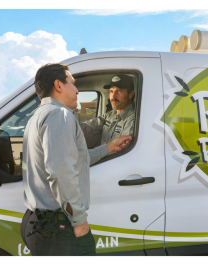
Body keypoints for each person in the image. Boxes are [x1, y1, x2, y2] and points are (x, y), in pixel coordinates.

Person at [21, 63, 130, 256]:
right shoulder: (59, 115)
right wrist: (79, 221)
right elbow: (61, 172)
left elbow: (75, 159)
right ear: (59, 86)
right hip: (59, 227)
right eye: (72, 83)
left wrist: (109, 147)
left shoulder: (38, 115)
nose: (77, 90)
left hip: (39, 221)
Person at [81, 74, 137, 162]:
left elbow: (125, 155)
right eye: (111, 91)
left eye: (118, 91)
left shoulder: (133, 119)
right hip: (101, 162)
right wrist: (67, 124)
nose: (113, 96)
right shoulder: (109, 115)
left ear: (130, 94)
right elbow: (88, 127)